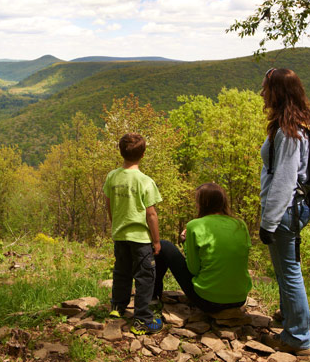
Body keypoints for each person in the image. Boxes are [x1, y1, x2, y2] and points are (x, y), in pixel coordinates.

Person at [258, 67, 310, 356]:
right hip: (294, 209)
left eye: (266, 88)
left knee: (290, 270)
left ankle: (297, 337)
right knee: (285, 267)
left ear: (278, 92)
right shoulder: (299, 123)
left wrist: (268, 222)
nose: (262, 93)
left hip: (287, 210)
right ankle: (289, 314)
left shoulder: (288, 132)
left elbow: (285, 179)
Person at [153, 183, 252, 313]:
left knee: (164, 245)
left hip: (209, 302)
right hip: (239, 299)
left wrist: (185, 242)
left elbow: (193, 269)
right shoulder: (240, 224)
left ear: (203, 204)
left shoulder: (195, 225)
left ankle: (153, 297)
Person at [104, 132, 163, 335]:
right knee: (145, 277)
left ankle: (117, 308)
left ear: (121, 153)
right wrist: (156, 241)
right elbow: (151, 214)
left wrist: (116, 224)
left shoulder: (112, 176)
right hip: (140, 239)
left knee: (122, 272)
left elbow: (109, 204)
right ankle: (142, 319)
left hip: (120, 235)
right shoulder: (145, 181)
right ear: (143, 154)